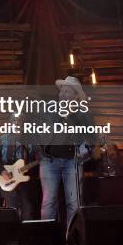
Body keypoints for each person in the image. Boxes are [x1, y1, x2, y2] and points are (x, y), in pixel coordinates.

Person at [40, 76, 94, 227]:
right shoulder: (50, 111)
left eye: (67, 91)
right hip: (49, 161)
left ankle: (72, 239)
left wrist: (85, 150)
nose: (62, 94)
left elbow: (92, 138)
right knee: (48, 202)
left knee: (74, 202)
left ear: (75, 96)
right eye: (61, 91)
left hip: (73, 162)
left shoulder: (83, 114)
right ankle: (47, 238)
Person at [0, 115, 40, 220]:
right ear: (11, 123)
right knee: (12, 210)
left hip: (25, 181)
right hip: (7, 179)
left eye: (20, 120)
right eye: (14, 120)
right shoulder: (3, 139)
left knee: (29, 210)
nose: (17, 123)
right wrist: (2, 171)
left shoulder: (30, 140)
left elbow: (37, 157)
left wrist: (37, 161)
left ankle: (26, 234)